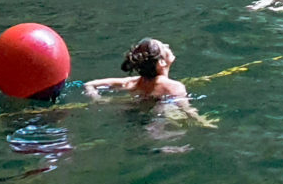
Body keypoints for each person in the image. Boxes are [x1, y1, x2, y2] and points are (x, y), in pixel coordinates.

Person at [84, 38, 215, 127]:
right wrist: (203, 122)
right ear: (162, 62)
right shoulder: (174, 87)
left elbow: (89, 84)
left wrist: (96, 98)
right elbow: (187, 110)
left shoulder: (132, 82)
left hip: (134, 115)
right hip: (156, 119)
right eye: (164, 47)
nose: (168, 46)